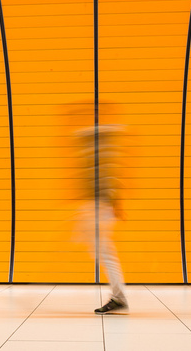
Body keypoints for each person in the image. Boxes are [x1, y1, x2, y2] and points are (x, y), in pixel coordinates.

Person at [74, 125, 128, 313]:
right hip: (96, 208)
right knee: (103, 252)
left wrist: (115, 204)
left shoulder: (102, 157)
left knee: (106, 253)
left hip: (100, 209)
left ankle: (119, 298)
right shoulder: (97, 159)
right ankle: (118, 297)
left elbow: (110, 182)